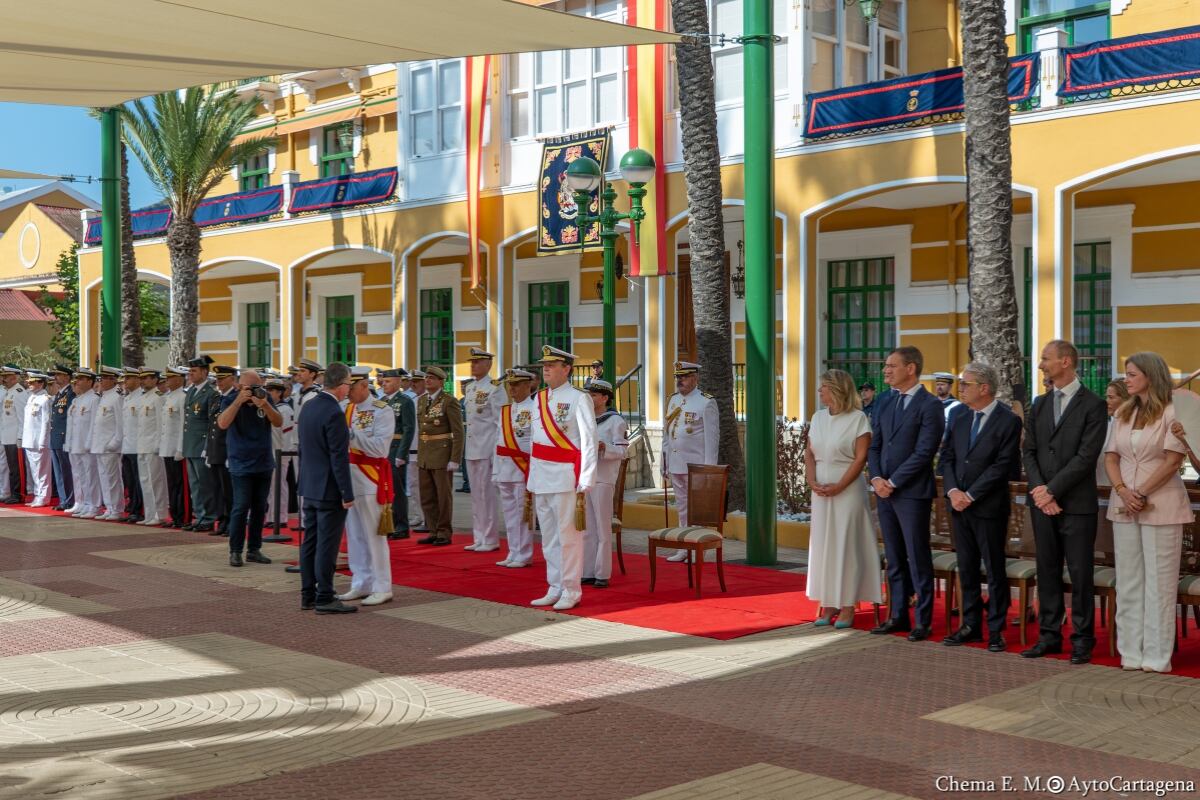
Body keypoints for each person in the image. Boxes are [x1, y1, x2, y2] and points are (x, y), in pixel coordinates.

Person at [1104, 352, 1194, 673]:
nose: (1126, 379)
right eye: (1126, 374)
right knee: (1128, 581)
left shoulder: (1173, 411)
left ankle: (1157, 657)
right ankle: (1130, 653)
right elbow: (1111, 457)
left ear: (1150, 376)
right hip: (1124, 504)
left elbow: (1172, 461)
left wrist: (1140, 492)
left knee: (1160, 584)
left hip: (1163, 503)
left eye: (1132, 374)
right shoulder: (1124, 413)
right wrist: (1123, 492)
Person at [1021, 339, 1108, 664]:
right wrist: (1041, 492)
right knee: (1047, 570)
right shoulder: (1039, 403)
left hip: (1077, 505)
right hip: (1043, 504)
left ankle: (1082, 640)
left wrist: (1052, 491)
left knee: (1080, 573)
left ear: (1066, 362)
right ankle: (1049, 635)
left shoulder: (1093, 405)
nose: (1041, 364)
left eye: (1046, 359)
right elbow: (1029, 451)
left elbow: (1086, 457)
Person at [938, 362, 1023, 652]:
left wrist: (971, 494)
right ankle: (970, 624)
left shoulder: (1008, 420)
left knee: (994, 568)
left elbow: (1003, 466)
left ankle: (996, 629)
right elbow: (946, 456)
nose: (960, 388)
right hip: (958, 505)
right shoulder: (958, 414)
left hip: (988, 505)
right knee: (967, 566)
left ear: (984, 388)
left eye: (966, 384)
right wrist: (952, 491)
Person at [867, 346, 945, 641]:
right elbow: (875, 445)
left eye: (892, 366)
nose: (886, 370)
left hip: (911, 492)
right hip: (884, 492)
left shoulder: (929, 405)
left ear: (910, 368)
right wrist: (876, 478)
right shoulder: (885, 402)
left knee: (917, 555)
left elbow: (925, 451)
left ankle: (922, 620)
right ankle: (897, 614)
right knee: (895, 557)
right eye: (886, 366)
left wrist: (894, 481)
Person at [805, 369, 879, 628]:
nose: (819, 392)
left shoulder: (858, 419)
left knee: (846, 545)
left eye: (823, 387)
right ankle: (828, 603)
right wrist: (812, 481)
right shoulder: (818, 417)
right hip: (821, 491)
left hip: (847, 489)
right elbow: (810, 454)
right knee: (824, 545)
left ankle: (848, 606)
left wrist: (838, 486)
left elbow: (861, 458)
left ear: (836, 389)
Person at [527, 346, 597, 610]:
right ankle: (554, 585)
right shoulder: (539, 398)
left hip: (566, 476)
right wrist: (531, 478)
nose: (545, 368)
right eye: (544, 364)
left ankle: (571, 589)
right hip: (541, 476)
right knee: (548, 538)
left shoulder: (579, 398)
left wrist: (587, 477)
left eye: (552, 364)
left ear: (566, 368)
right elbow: (535, 442)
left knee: (568, 537)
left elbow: (589, 440)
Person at [297, 361, 357, 613]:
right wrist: (347, 492)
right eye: (348, 385)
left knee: (309, 541)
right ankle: (325, 595)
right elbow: (338, 456)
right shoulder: (334, 412)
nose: (348, 390)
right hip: (329, 488)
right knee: (327, 543)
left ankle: (308, 593)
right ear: (342, 385)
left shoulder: (309, 406)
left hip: (309, 484)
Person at [336, 367, 396, 606]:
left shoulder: (382, 411)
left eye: (352, 387)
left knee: (374, 536)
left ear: (364, 386)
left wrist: (352, 436)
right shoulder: (345, 409)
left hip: (371, 477)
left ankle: (383, 586)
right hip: (349, 479)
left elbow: (380, 449)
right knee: (355, 535)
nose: (348, 392)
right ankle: (361, 582)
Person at [217, 369, 281, 567]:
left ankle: (254, 549)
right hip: (241, 463)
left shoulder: (265, 397)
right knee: (240, 507)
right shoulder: (231, 399)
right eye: (248, 388)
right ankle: (235, 551)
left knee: (260, 508)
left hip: (263, 461)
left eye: (257, 387)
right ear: (238, 385)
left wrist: (265, 405)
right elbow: (222, 423)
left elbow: (278, 422)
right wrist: (239, 401)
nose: (253, 391)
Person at [662, 360, 719, 562]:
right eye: (678, 377)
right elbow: (667, 434)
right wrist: (665, 461)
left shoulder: (706, 402)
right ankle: (683, 546)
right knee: (682, 506)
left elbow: (712, 440)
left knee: (697, 508)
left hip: (696, 466)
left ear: (695, 378)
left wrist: (708, 470)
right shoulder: (673, 400)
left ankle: (697, 548)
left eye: (684, 377)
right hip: (677, 463)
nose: (680, 381)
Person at [582, 379, 627, 588]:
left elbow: (622, 451)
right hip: (587, 477)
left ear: (605, 398)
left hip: (604, 478)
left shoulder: (615, 421)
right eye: (588, 395)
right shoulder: (586, 418)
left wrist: (603, 447)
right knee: (588, 529)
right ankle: (588, 570)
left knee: (602, 528)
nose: (589, 398)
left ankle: (602, 573)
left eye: (593, 395)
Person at [493, 368, 537, 568]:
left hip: (522, 468)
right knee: (510, 514)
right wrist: (495, 471)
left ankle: (524, 553)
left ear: (528, 386)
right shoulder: (505, 410)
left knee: (523, 513)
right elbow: (498, 441)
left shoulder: (535, 408)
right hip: (505, 467)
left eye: (517, 384)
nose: (512, 388)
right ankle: (513, 550)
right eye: (510, 384)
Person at [415, 367, 464, 545]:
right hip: (425, 454)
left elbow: (458, 432)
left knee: (443, 496)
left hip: (442, 454)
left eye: (432, 378)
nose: (428, 381)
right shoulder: (421, 401)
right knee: (427, 496)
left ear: (441, 382)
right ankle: (433, 529)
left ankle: (444, 532)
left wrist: (455, 458)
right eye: (426, 378)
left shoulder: (449, 401)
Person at [463, 347, 505, 552]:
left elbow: (500, 423)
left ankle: (490, 538)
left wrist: (497, 450)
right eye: (472, 362)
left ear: (488, 365)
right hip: (472, 447)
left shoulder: (495, 388)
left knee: (486, 494)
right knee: (476, 495)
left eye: (477, 362)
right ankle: (479, 536)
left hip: (487, 447)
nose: (473, 365)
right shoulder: (470, 388)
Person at [378, 368, 415, 540]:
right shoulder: (382, 401)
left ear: (398, 382)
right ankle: (390, 523)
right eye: (383, 382)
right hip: (384, 449)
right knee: (387, 490)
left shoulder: (405, 401)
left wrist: (402, 454)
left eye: (388, 381)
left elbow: (409, 429)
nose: (384, 384)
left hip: (396, 449)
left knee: (398, 491)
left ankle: (402, 525)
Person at [182, 356, 218, 532]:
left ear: (205, 372)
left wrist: (207, 447)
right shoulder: (190, 391)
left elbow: (212, 422)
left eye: (194, 371)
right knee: (194, 485)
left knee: (205, 484)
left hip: (202, 445)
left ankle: (209, 517)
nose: (190, 374)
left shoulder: (211, 393)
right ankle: (199, 515)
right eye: (190, 371)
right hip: (190, 444)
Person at [65, 369, 101, 518]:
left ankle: (94, 505)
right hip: (75, 444)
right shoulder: (76, 400)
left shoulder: (94, 399)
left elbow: (94, 424)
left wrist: (90, 443)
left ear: (89, 381)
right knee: (80, 476)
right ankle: (84, 503)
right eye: (77, 379)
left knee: (91, 476)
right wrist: (68, 443)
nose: (77, 382)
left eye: (81, 379)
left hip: (87, 445)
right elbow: (71, 425)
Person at [207, 365, 239, 536]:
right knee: (217, 489)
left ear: (232, 379)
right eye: (217, 379)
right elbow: (211, 425)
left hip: (227, 450)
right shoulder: (217, 398)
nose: (218, 382)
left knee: (229, 490)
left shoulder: (235, 398)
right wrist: (208, 449)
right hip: (215, 450)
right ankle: (221, 520)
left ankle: (230, 522)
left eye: (222, 378)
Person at [135, 369, 169, 526]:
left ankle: (160, 513)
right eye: (142, 378)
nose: (143, 381)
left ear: (155, 380)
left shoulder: (158, 398)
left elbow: (161, 424)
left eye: (147, 378)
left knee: (156, 481)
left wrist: (158, 445)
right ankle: (149, 513)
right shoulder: (142, 398)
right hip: (142, 445)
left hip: (153, 445)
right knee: (145, 481)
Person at [91, 366, 125, 521]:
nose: (101, 381)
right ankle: (109, 507)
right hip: (100, 444)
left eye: (104, 378)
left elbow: (120, 423)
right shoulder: (104, 396)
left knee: (112, 479)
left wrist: (115, 442)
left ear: (113, 379)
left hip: (110, 446)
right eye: (100, 378)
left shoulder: (117, 397)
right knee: (104, 478)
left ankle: (116, 509)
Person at [264, 377, 297, 532]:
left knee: (279, 485)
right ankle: (271, 516)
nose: (268, 393)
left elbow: (287, 435)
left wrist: (284, 454)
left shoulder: (285, 410)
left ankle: (280, 517)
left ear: (279, 393)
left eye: (271, 390)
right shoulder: (269, 407)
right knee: (270, 487)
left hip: (280, 452)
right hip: (268, 452)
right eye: (267, 390)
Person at [159, 366, 188, 527]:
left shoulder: (182, 397)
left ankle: (182, 517)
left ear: (179, 379)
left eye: (170, 378)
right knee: (172, 483)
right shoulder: (169, 397)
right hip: (167, 447)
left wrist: (181, 448)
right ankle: (175, 516)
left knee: (179, 484)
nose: (167, 381)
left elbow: (183, 424)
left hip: (176, 448)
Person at [21, 371, 53, 507]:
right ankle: (37, 495)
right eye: (29, 382)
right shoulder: (31, 397)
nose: (29, 384)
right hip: (29, 439)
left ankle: (44, 497)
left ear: (41, 383)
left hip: (39, 440)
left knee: (42, 471)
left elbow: (46, 422)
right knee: (34, 471)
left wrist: (42, 441)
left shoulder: (45, 399)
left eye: (33, 382)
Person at [119, 368, 144, 523]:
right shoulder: (127, 398)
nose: (125, 382)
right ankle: (132, 509)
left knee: (138, 480)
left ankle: (138, 510)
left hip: (137, 445)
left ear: (137, 379)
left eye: (128, 378)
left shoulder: (141, 397)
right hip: (127, 445)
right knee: (130, 480)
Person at [0, 365, 28, 502]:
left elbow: (23, 418)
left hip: (15, 437)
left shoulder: (19, 392)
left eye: (6, 376)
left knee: (17, 469)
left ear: (14, 377)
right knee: (11, 468)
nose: (4, 379)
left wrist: (20, 437)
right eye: (3, 376)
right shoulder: (9, 392)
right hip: (7, 436)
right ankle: (12, 492)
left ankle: (18, 494)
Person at [48, 366, 75, 511]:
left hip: (63, 437)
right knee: (58, 471)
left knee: (66, 471)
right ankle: (63, 499)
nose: (56, 377)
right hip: (55, 437)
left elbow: (69, 417)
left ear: (67, 377)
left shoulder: (71, 394)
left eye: (59, 374)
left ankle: (69, 500)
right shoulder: (59, 394)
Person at [1098, 379, 1130, 486]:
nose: (1106, 401)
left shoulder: (1135, 428)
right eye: (1107, 397)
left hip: (1129, 489)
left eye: (1111, 397)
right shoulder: (1105, 427)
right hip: (1104, 489)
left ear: (1126, 399)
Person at [405, 369, 427, 531]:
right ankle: (419, 514)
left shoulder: (429, 400)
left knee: (426, 486)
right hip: (411, 449)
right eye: (412, 382)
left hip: (425, 449)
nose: (414, 385)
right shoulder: (411, 400)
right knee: (413, 485)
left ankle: (428, 517)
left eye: (417, 382)